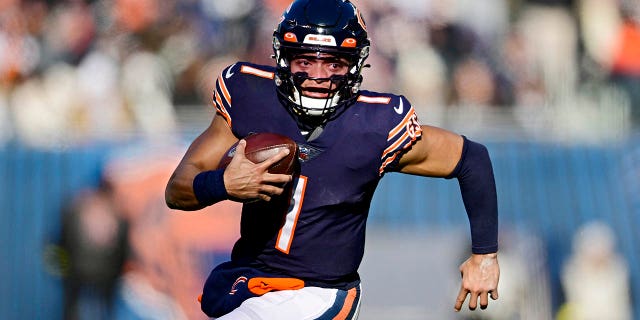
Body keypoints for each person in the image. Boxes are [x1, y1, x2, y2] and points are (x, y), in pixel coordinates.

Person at [165, 0, 500, 318]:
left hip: (318, 293)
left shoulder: (375, 124)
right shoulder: (249, 94)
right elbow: (177, 190)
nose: (319, 76)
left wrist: (484, 254)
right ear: (284, 58)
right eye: (305, 61)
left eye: (334, 63)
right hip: (248, 282)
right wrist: (223, 184)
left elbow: (471, 158)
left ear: (355, 65)